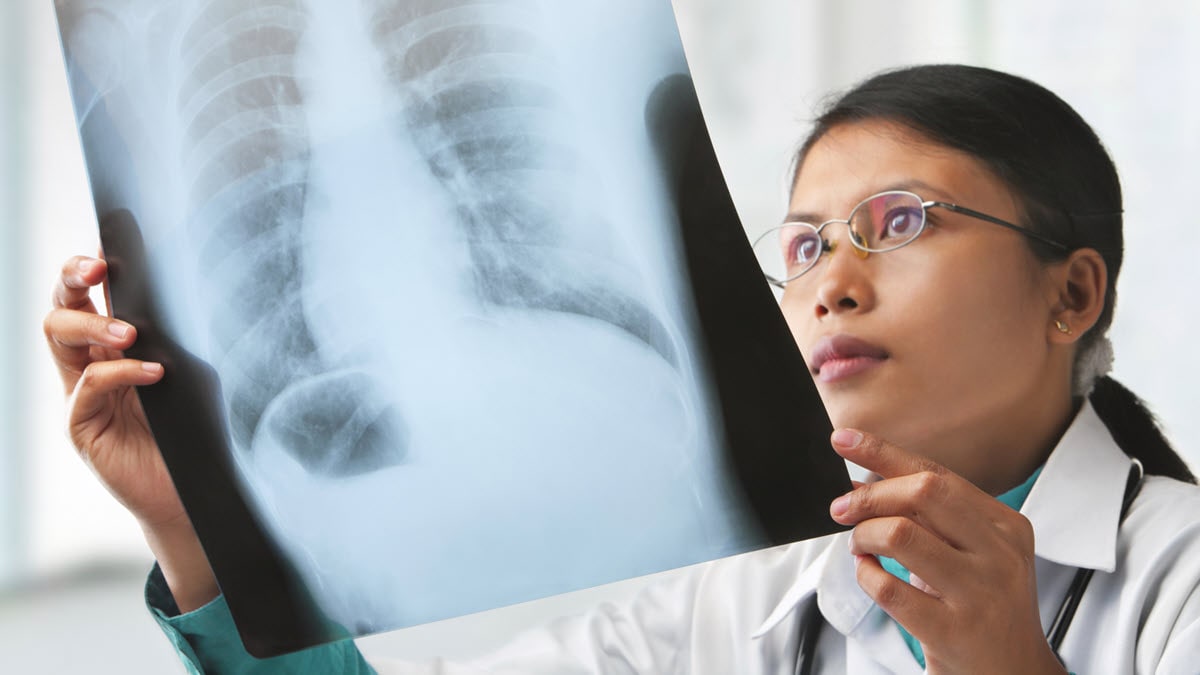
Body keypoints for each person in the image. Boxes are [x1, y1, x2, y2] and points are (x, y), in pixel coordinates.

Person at [43, 64, 1200, 674]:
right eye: (803, 247)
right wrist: (190, 531)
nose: (832, 286)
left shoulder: (1178, 579)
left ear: (1072, 292)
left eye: (899, 224)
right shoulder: (739, 605)